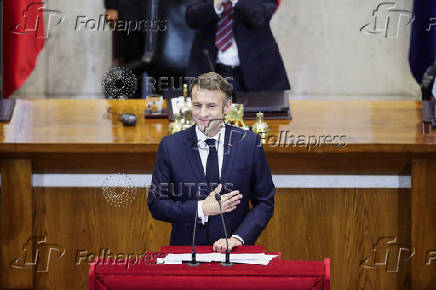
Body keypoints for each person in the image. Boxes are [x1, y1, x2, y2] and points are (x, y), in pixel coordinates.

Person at [147, 72, 275, 251]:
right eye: (197, 105)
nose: (203, 114)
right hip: (187, 254)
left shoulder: (248, 143)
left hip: (235, 254)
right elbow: (157, 205)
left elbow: (265, 201)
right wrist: (202, 209)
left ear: (227, 106)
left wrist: (238, 238)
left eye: (211, 106)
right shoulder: (171, 146)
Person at [185, 0, 290, 93]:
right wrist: (215, 4)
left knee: (263, 114)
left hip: (258, 74)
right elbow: (191, 17)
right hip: (211, 71)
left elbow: (259, 17)